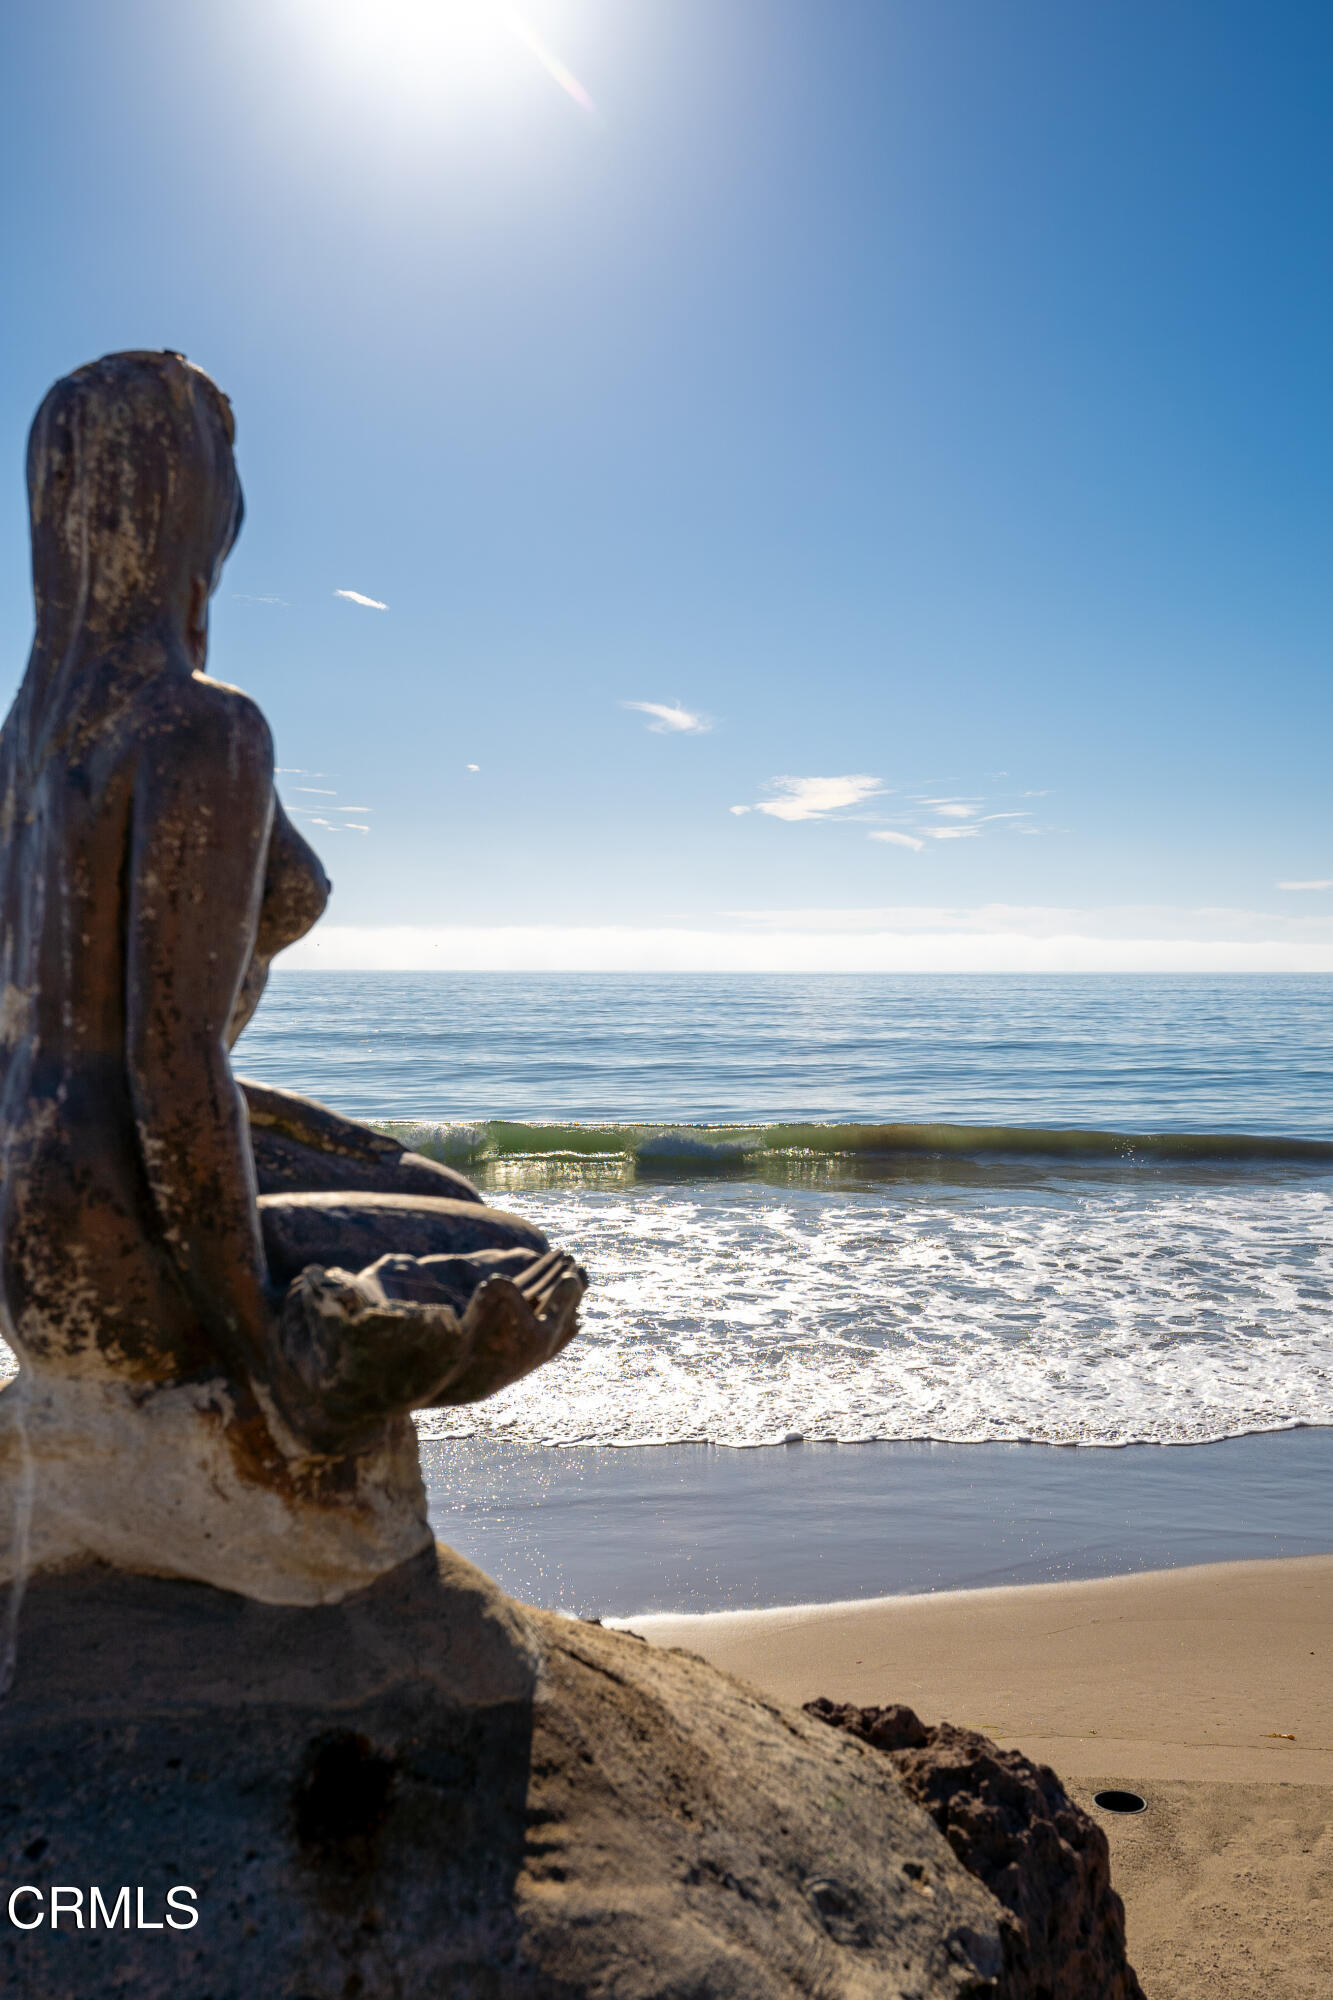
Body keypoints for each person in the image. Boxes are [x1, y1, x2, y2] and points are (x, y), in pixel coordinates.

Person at [0, 351, 582, 1467]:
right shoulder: (199, 729)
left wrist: (300, 1123)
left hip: (29, 1249)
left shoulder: (23, 749)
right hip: (130, 1263)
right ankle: (317, 1367)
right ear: (189, 504)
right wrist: (255, 1344)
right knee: (511, 1248)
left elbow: (63, 1035)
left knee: (420, 1182)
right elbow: (169, 1063)